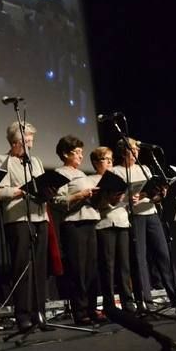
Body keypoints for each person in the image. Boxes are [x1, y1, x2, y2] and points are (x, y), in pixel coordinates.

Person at [0, 122, 54, 332]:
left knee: (39, 268)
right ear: (14, 142)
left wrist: (48, 190)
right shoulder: (2, 160)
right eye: (26, 140)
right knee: (22, 268)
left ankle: (40, 315)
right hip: (18, 219)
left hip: (40, 217)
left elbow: (42, 184)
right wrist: (22, 191)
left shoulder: (36, 161)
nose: (30, 144)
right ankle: (23, 316)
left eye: (31, 140)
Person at [113, 138, 176, 310]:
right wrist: (130, 197)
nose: (136, 151)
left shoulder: (144, 168)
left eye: (137, 149)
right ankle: (146, 301)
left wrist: (160, 192)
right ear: (123, 152)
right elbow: (115, 198)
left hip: (151, 214)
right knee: (139, 259)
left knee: (164, 255)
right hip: (133, 216)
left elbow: (154, 196)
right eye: (132, 149)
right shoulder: (116, 171)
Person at [52, 135, 106, 325]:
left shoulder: (83, 174)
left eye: (82, 153)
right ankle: (80, 312)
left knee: (91, 269)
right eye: (77, 152)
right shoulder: (59, 173)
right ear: (65, 153)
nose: (80, 156)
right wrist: (80, 195)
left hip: (91, 221)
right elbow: (57, 201)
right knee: (78, 270)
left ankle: (92, 309)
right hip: (74, 224)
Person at [89, 147, 137, 313]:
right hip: (105, 224)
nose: (109, 162)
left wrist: (129, 199)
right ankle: (110, 305)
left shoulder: (119, 177)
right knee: (108, 267)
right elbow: (94, 205)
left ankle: (128, 303)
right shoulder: (92, 180)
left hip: (122, 222)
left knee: (124, 266)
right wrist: (109, 199)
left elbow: (125, 200)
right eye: (104, 159)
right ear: (95, 163)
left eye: (110, 159)